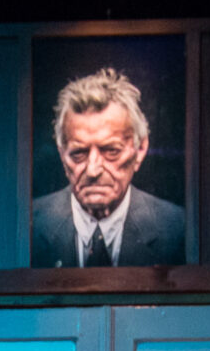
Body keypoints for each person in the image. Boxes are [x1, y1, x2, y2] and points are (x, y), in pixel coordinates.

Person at [29, 67, 188, 267]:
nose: (93, 170)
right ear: (62, 154)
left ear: (140, 149)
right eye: (79, 153)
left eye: (111, 151)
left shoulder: (179, 229)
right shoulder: (28, 227)